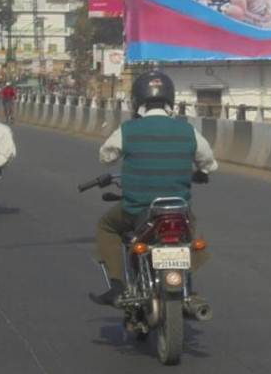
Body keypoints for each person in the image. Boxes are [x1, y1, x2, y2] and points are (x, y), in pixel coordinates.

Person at [91, 70, 218, 308]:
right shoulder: (187, 130)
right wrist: (202, 172)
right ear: (170, 99)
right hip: (178, 210)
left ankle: (117, 286)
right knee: (189, 229)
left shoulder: (128, 130)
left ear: (138, 100)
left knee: (106, 226)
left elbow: (105, 156)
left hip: (138, 209)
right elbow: (208, 162)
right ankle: (186, 281)